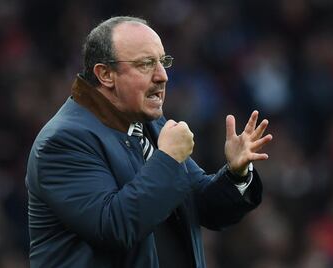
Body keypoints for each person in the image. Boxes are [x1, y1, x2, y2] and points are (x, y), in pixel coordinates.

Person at [25, 16, 273, 268]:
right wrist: (167, 159)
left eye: (163, 62)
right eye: (146, 64)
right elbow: (114, 228)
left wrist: (236, 174)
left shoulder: (148, 123)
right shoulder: (63, 141)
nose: (163, 76)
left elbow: (202, 206)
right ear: (105, 74)